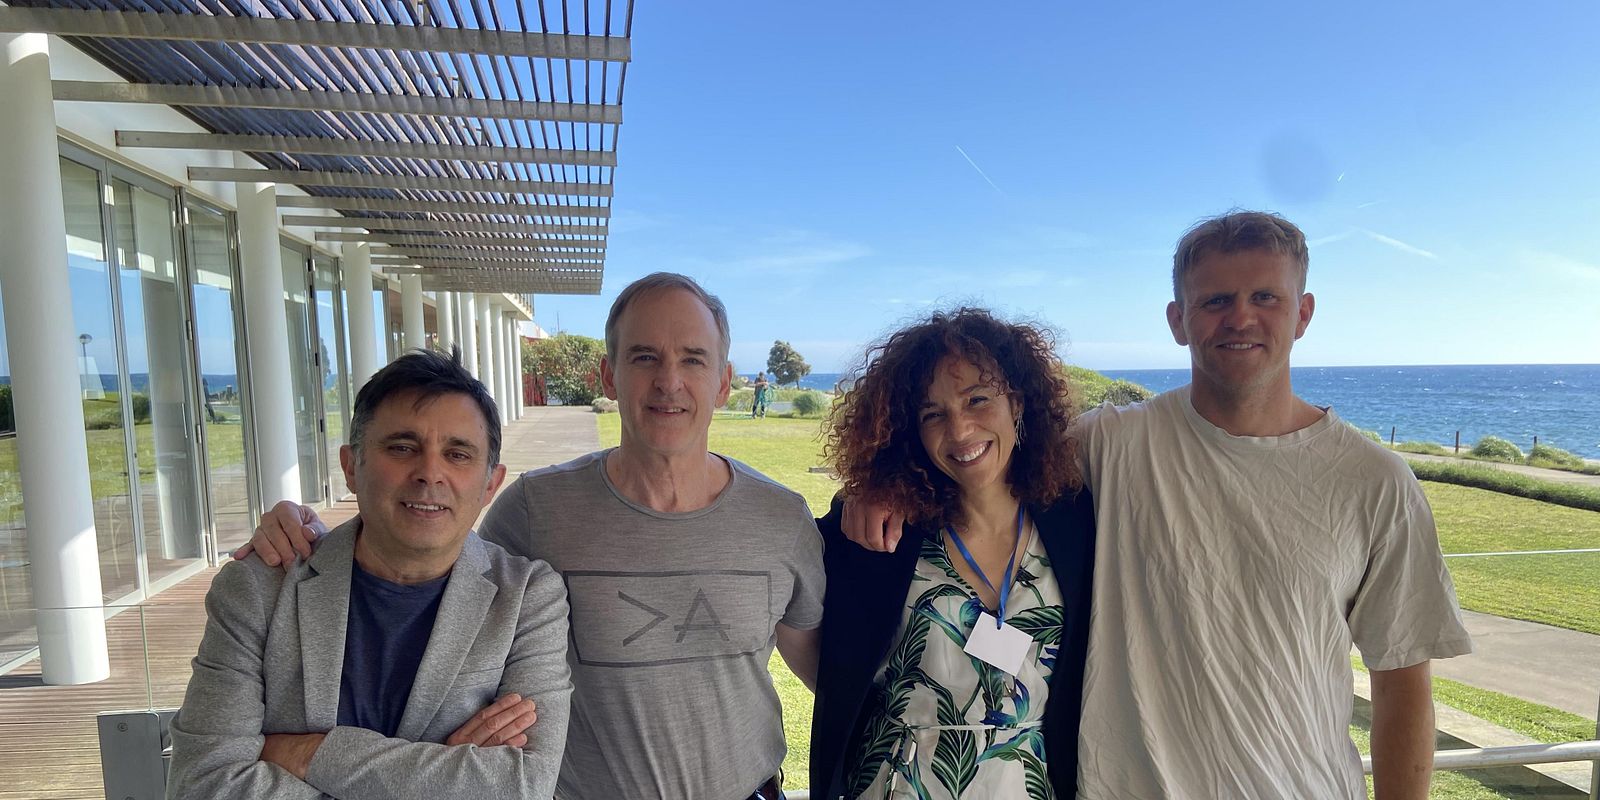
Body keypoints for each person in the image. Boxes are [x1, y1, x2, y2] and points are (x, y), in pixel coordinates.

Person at [844, 211, 1471, 799]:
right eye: (1215, 301)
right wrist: (872, 483)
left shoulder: (1375, 482)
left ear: (1303, 313)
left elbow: (1403, 687)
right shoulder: (1113, 443)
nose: (1240, 318)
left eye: (1265, 298)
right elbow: (977, 448)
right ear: (1178, 320)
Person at [242, 273, 826, 800]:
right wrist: (310, 535)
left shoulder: (782, 518)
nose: (668, 381)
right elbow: (423, 543)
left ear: (725, 382)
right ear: (609, 375)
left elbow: (825, 670)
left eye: (694, 360)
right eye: (645, 356)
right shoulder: (536, 509)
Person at [168, 348, 572, 800]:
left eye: (458, 454)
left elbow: (523, 784)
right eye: (402, 447)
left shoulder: (526, 599)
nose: (429, 473)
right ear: (350, 467)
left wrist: (308, 755)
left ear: (490, 485)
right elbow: (202, 785)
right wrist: (442, 771)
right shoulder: (261, 587)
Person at [811, 308, 1096, 800]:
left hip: (1028, 784)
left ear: (1019, 404)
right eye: (932, 414)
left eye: (978, 399)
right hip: (897, 784)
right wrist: (860, 494)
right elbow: (797, 605)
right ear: (910, 431)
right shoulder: (884, 531)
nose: (960, 430)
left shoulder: (1075, 521)